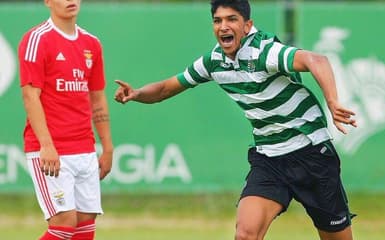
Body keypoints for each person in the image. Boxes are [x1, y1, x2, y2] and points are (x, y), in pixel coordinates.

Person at [114, 0, 357, 239]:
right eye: (217, 21)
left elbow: (317, 60)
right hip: (269, 158)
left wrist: (333, 101)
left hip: (311, 153)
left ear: (247, 25)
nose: (223, 26)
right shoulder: (214, 61)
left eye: (232, 19)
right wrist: (136, 94)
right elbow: (166, 88)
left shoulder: (265, 51)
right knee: (245, 234)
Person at [18, 0, 113, 239]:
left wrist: (107, 147)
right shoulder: (37, 39)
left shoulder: (92, 43)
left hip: (85, 148)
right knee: (64, 222)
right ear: (48, 2)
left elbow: (97, 98)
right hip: (53, 150)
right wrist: (46, 145)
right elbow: (30, 96)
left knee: (85, 222)